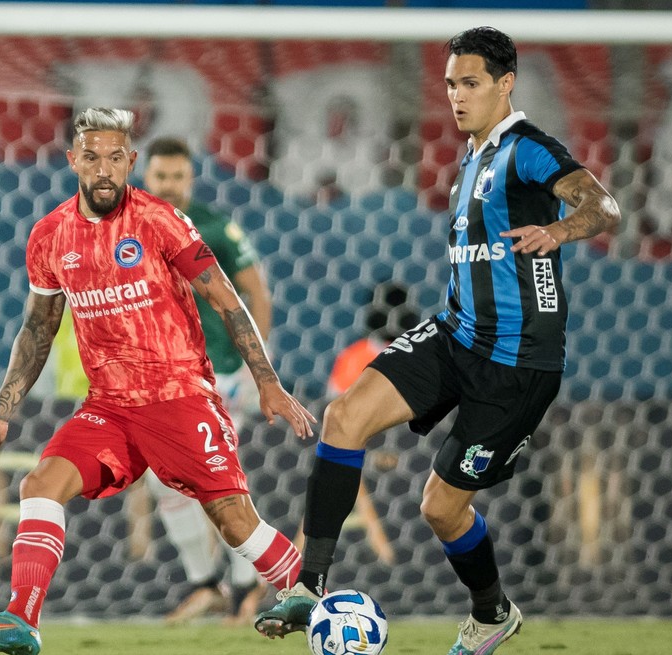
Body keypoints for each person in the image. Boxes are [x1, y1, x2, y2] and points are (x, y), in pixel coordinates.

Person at [254, 27, 620, 655]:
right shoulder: (470, 161)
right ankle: (309, 586)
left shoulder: (528, 150)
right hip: (455, 334)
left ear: (506, 84)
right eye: (451, 84)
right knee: (343, 417)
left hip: (517, 363)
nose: (457, 96)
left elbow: (603, 206)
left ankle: (492, 612)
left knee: (441, 509)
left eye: (471, 83)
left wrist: (559, 233)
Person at [0, 108, 315, 655]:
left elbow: (227, 299)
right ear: (72, 161)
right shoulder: (50, 236)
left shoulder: (161, 221)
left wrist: (268, 380)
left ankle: (312, 600)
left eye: (115, 157)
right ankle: (21, 620)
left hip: (179, 397)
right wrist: (1, 412)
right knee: (40, 485)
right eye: (91, 157)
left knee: (234, 519)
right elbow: (38, 328)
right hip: (110, 408)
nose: (103, 169)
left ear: (130, 162)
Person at [141, 136, 274, 624]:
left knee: (218, 476)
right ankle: (206, 584)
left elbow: (257, 292)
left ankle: (243, 588)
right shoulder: (130, 229)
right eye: (161, 176)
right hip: (159, 376)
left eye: (178, 176)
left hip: (219, 373)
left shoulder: (214, 227)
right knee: (163, 478)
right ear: (146, 176)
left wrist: (259, 364)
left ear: (191, 178)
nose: (169, 185)